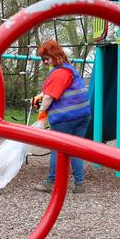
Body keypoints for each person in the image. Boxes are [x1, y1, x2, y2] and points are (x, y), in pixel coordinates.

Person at [31, 40, 91, 194]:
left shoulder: (58, 73)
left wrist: (41, 111)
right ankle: (79, 184)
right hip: (83, 115)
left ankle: (51, 182)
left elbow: (49, 97)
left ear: (54, 55)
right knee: (75, 149)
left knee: (57, 150)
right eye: (43, 59)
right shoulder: (70, 69)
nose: (45, 62)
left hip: (66, 118)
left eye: (46, 58)